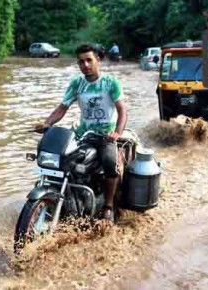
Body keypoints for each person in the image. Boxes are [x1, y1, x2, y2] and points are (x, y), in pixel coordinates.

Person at [33, 43, 127, 221]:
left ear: (98, 60)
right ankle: (65, 199)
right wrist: (47, 124)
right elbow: (62, 108)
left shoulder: (110, 82)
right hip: (82, 134)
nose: (85, 65)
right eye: (81, 62)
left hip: (105, 135)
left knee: (109, 162)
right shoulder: (77, 83)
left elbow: (122, 110)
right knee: (62, 159)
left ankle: (107, 206)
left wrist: (117, 133)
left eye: (89, 60)